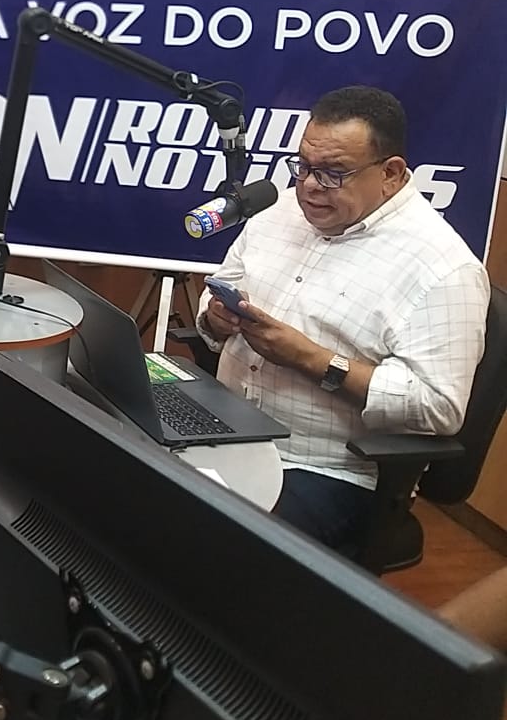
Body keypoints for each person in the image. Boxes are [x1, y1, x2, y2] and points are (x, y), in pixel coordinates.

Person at [195, 85, 489, 551]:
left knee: (205, 544)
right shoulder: (280, 211)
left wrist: (312, 360)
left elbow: (439, 407)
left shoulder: (444, 268)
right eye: (303, 166)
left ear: (390, 173)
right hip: (226, 429)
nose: (309, 186)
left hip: (324, 469)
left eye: (333, 173)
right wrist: (215, 320)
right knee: (124, 483)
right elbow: (219, 291)